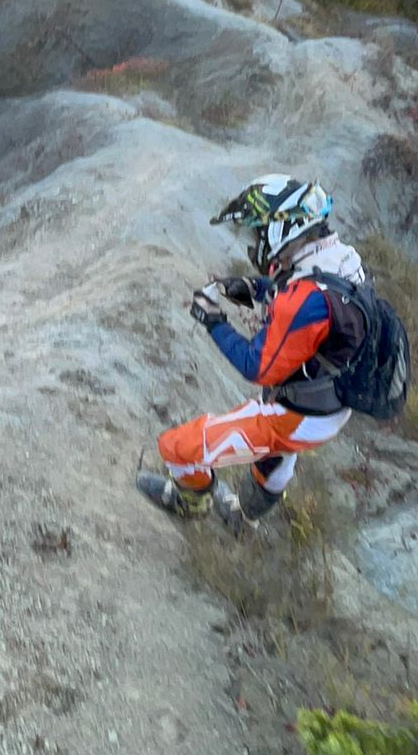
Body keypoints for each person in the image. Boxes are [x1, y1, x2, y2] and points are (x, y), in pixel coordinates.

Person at [137, 175, 366, 530]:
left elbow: (257, 366)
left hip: (298, 413)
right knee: (273, 460)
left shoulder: (303, 300)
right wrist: (256, 289)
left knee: (176, 448)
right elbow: (312, 297)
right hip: (331, 399)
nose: (254, 243)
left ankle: (190, 503)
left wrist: (213, 321)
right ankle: (247, 518)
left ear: (283, 230)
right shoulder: (341, 258)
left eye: (257, 233)